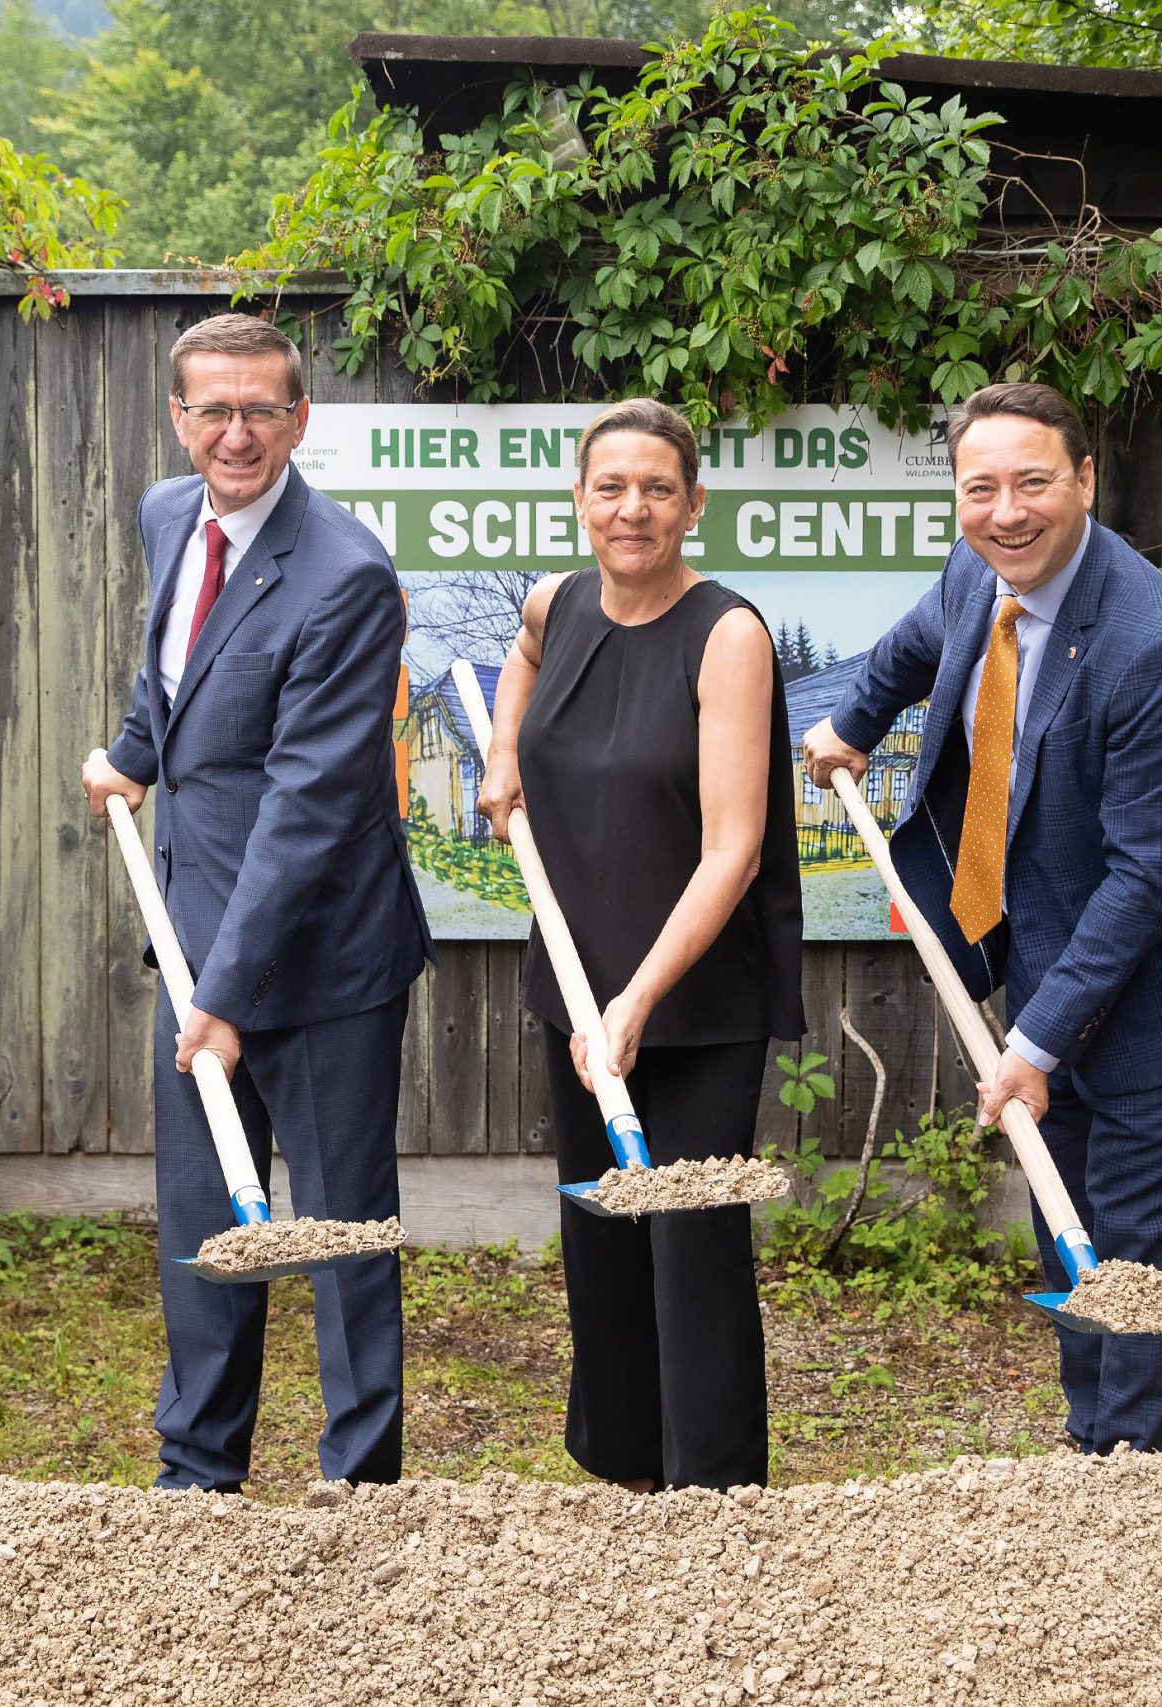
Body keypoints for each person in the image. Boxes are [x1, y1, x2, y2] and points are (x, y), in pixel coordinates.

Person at [802, 382, 1162, 1457]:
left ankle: (1134, 1474)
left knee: (1134, 1243)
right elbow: (917, 643)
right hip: (1046, 950)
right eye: (981, 487)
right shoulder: (979, 570)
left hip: (1155, 992)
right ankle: (1084, 1443)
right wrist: (852, 723)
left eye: (1032, 483)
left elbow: (1147, 880)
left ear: (1084, 481)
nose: (1006, 510)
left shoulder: (1157, 646)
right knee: (1061, 1218)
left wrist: (1034, 1044)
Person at [80, 312, 430, 1489]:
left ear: (300, 419)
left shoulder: (347, 577)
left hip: (323, 956)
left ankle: (357, 1481)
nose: (237, 434)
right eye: (212, 410)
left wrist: (226, 994)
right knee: (203, 1226)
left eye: (262, 410)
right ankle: (200, 1473)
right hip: (196, 933)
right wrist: (134, 750)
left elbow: (312, 804)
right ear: (179, 418)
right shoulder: (168, 516)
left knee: (338, 1233)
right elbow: (171, 671)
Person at [474, 398, 804, 1492]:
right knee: (602, 1243)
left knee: (689, 1247)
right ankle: (623, 1478)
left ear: (693, 504)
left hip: (694, 1002)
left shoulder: (727, 634)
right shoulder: (556, 603)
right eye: (610, 487)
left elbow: (734, 852)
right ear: (580, 500)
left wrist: (638, 1002)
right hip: (576, 983)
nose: (633, 509)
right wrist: (502, 757)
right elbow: (520, 657)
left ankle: (711, 1497)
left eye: (657, 489)